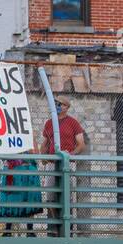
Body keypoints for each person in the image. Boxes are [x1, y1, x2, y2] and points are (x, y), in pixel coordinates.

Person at [41, 97, 88, 236]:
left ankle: (68, 228)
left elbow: (81, 144)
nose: (57, 106)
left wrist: (70, 155)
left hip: (67, 165)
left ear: (67, 107)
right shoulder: (49, 123)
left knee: (68, 196)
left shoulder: (73, 123)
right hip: (51, 164)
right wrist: (43, 156)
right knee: (49, 196)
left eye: (60, 104)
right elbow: (45, 143)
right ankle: (54, 226)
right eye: (56, 104)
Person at [0, 150, 42, 237]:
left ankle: (29, 230)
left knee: (29, 197)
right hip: (13, 169)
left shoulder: (29, 139)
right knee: (11, 197)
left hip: (27, 169)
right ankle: (8, 229)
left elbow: (35, 153)